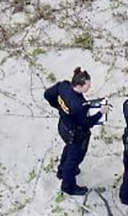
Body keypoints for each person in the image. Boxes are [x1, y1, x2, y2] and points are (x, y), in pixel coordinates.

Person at [44, 67, 110, 196]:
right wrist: (100, 113)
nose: (89, 88)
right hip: (76, 134)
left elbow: (48, 95)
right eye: (87, 85)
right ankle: (68, 186)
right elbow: (87, 123)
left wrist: (59, 108)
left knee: (68, 149)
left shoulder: (63, 86)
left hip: (63, 126)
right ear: (79, 85)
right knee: (74, 159)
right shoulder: (79, 105)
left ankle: (61, 171)